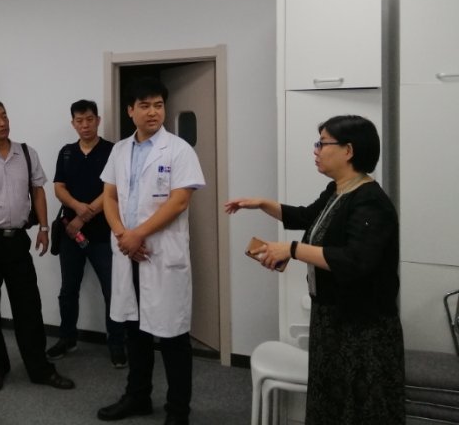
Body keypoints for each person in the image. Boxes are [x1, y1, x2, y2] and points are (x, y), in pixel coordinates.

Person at [224, 115, 405, 425]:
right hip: (331, 321)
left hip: (360, 329)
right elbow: (305, 217)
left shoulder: (370, 202)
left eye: (322, 143)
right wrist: (262, 204)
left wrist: (292, 250)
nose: (316, 150)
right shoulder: (337, 190)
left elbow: (355, 260)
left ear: (348, 150)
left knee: (357, 409)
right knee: (329, 404)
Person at [97, 77, 205, 425]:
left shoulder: (179, 150)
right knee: (135, 331)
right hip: (128, 253)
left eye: (158, 105)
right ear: (130, 110)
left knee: (173, 336)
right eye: (144, 105)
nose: (153, 112)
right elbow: (109, 196)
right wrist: (122, 234)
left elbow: (179, 201)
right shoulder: (119, 150)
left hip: (160, 255)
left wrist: (137, 235)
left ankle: (178, 411)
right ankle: (138, 397)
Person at [0, 97, 75, 393]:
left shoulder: (26, 153)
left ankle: (39, 368)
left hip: (17, 241)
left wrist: (44, 228)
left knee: (29, 307)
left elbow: (38, 192)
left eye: (5, 116)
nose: (3, 122)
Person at [47, 99, 126, 368]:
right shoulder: (67, 152)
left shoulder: (113, 151)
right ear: (73, 123)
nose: (85, 125)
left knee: (112, 291)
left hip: (104, 234)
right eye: (79, 121)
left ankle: (116, 344)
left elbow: (113, 190)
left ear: (98, 120)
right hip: (71, 235)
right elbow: (59, 187)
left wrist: (83, 215)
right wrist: (77, 208)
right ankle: (67, 338)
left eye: (90, 119)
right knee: (68, 290)